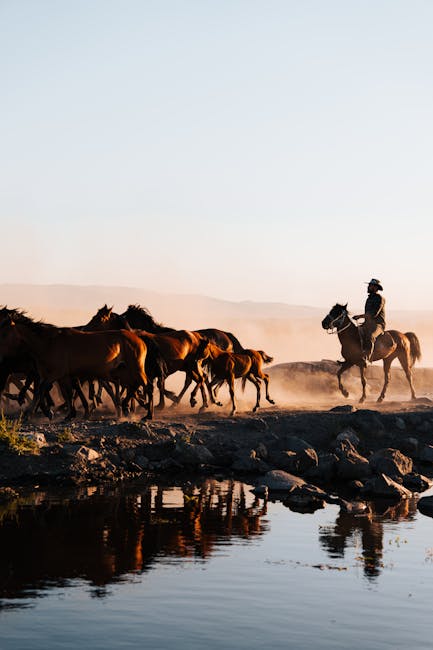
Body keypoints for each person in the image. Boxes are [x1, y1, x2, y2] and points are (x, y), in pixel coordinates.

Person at [353, 278, 386, 367]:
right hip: (368, 324)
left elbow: (373, 314)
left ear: (375, 288)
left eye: (370, 285)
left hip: (378, 325)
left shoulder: (380, 298)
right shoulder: (369, 298)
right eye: (369, 285)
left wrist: (360, 316)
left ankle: (367, 358)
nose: (368, 287)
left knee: (370, 336)